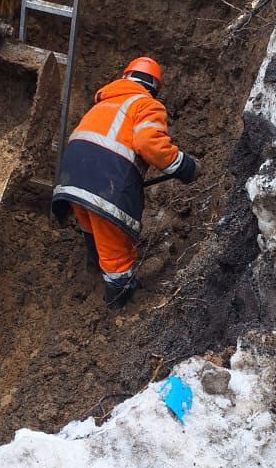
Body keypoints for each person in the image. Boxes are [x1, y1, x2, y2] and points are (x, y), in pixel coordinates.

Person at [52, 57, 199, 309]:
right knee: (116, 249)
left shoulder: (102, 104)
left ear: (125, 78)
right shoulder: (146, 104)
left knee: (92, 225)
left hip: (71, 177)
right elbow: (148, 143)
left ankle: (93, 263)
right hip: (104, 184)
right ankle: (118, 299)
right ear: (153, 87)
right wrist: (182, 165)